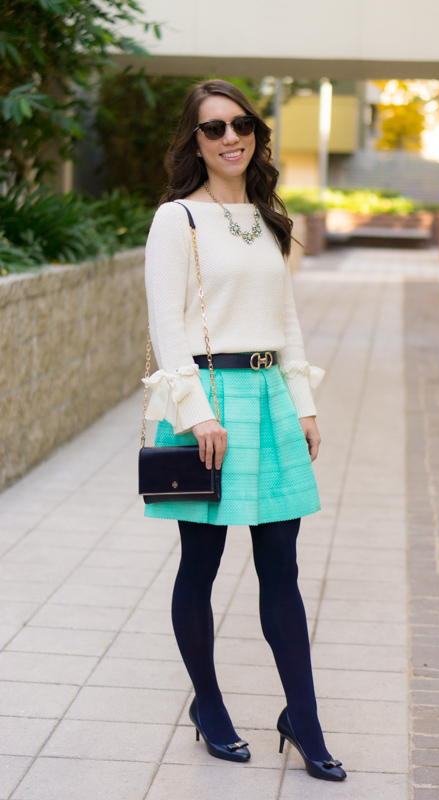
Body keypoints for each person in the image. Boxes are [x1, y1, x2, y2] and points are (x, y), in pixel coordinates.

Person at [143, 79, 346, 782]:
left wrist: (302, 402)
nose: (231, 136)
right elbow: (166, 323)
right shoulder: (177, 220)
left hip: (267, 397)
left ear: (256, 132)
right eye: (213, 128)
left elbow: (283, 317)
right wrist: (196, 411)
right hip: (208, 404)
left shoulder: (265, 217)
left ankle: (304, 719)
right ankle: (209, 706)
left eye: (242, 123)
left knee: (281, 569)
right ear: (193, 141)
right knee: (199, 566)